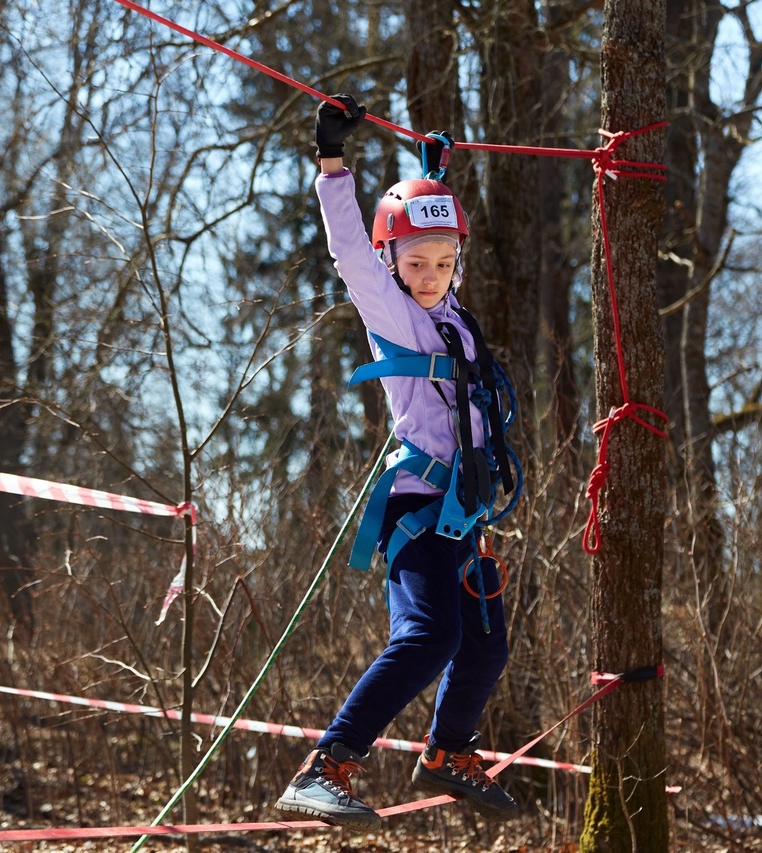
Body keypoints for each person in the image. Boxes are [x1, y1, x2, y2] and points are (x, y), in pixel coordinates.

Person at [273, 94, 519, 830]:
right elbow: (352, 249)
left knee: (485, 644)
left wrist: (431, 173)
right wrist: (332, 161)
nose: (433, 273)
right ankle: (326, 764)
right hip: (418, 504)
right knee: (427, 637)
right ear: (393, 263)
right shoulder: (392, 309)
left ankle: (448, 750)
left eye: (446, 262)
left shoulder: (452, 314)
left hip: (463, 512)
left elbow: (428, 234)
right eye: (416, 262)